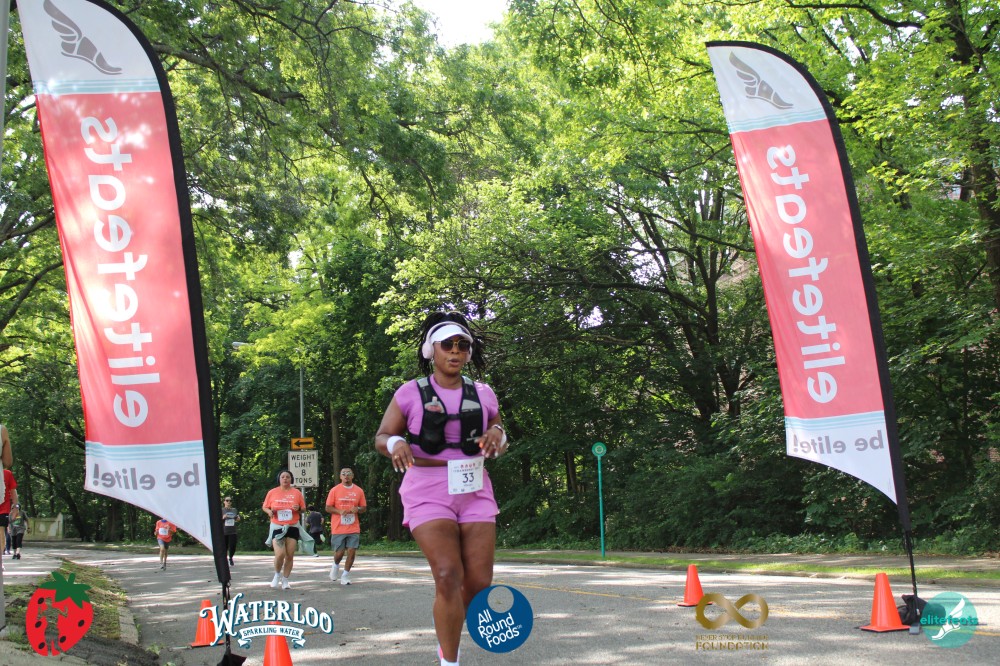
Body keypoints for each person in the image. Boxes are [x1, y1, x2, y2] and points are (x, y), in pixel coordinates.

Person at [375, 312, 509, 666]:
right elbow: (382, 436)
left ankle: (450, 630)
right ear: (430, 350)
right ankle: (450, 659)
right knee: (448, 573)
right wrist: (396, 444)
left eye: (462, 345)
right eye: (447, 344)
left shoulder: (483, 392)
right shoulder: (410, 392)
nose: (455, 351)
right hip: (427, 488)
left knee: (478, 584)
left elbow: (498, 431)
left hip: (474, 487)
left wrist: (497, 436)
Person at [262, 469, 306, 590]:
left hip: (292, 526)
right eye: (283, 477)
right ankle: (277, 575)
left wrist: (298, 508)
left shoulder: (297, 493)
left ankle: (285, 579)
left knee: (290, 555)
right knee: (280, 554)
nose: (285, 479)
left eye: (287, 477)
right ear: (279, 479)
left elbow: (303, 509)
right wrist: (269, 511)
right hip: (277, 526)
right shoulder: (272, 492)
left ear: (291, 479)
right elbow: (265, 506)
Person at [325, 468, 367, 585]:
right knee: (339, 553)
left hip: (353, 527)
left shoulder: (359, 491)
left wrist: (358, 509)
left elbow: (364, 508)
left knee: (352, 552)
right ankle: (335, 565)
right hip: (338, 527)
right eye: (343, 474)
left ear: (352, 476)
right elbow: (328, 507)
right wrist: (339, 511)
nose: (346, 476)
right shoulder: (334, 490)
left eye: (348, 474)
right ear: (340, 476)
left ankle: (345, 575)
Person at [222, 496, 240, 566]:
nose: (229, 502)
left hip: (233, 531)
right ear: (224, 502)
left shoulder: (234, 510)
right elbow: (218, 521)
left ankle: (230, 558)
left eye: (230, 501)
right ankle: (224, 559)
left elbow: (237, 518)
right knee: (225, 546)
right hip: (224, 531)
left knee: (233, 546)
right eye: (227, 500)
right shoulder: (222, 510)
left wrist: (238, 518)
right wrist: (223, 517)